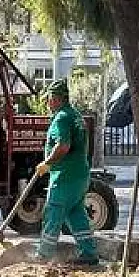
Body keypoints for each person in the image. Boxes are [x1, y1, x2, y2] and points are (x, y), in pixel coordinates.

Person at [33, 80, 98, 265]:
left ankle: (43, 255)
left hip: (64, 176)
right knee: (76, 214)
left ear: (56, 98)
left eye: (49, 99)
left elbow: (63, 146)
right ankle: (89, 253)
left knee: (53, 213)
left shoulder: (61, 117)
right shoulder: (75, 115)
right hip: (79, 176)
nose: (47, 103)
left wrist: (47, 163)